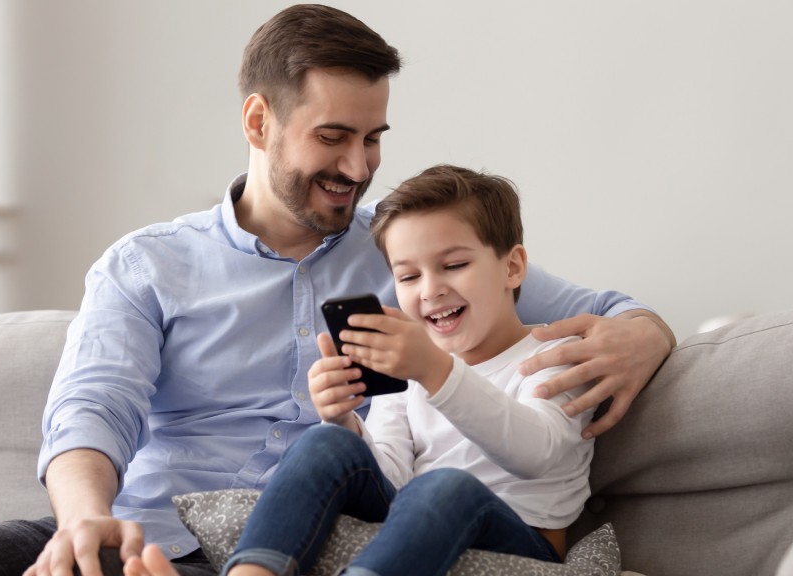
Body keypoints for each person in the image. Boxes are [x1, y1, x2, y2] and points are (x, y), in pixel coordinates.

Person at [0, 5, 674, 576]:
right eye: (333, 137)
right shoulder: (147, 265)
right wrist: (82, 521)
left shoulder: (412, 260)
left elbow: (606, 312)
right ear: (260, 121)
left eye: (373, 137)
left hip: (320, 548)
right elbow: (91, 410)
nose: (358, 166)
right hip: (148, 533)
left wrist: (646, 335)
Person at [126, 164, 596, 576]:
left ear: (512, 267)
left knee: (446, 486)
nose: (430, 290)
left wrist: (435, 371)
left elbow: (538, 454)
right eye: (409, 276)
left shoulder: (555, 353)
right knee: (325, 439)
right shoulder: (412, 367)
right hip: (412, 535)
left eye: (452, 265)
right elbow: (389, 476)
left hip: (522, 546)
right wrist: (344, 421)